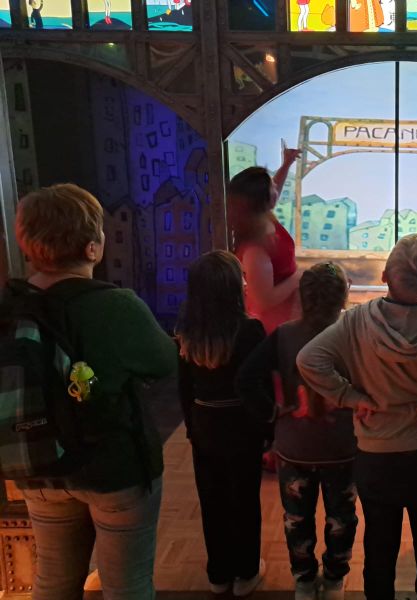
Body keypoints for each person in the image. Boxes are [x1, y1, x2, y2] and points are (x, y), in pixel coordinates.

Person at [9, 184, 176, 600]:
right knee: (127, 587)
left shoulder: (11, 307)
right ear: (93, 248)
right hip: (115, 468)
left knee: (53, 581)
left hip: (40, 464)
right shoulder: (117, 306)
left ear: (26, 245)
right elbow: (163, 363)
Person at [297, 234, 417, 600]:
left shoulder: (356, 321)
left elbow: (308, 360)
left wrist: (350, 397)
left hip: (376, 456)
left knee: (379, 546)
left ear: (384, 274)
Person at [237, 262, 357, 600]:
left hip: (294, 446)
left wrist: (272, 413)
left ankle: (304, 581)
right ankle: (334, 580)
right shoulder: (353, 335)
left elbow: (246, 379)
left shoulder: (284, 335)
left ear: (302, 297)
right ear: (343, 298)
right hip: (343, 446)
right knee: (342, 517)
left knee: (296, 519)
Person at [175, 251, 267, 597]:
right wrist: (268, 429)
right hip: (242, 427)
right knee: (245, 500)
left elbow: (184, 388)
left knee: (211, 501)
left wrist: (190, 426)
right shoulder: (250, 330)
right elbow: (258, 387)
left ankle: (218, 573)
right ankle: (246, 572)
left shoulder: (187, 332)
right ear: (233, 288)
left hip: (204, 424)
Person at [228, 146, 301, 335]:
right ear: (263, 200)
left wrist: (286, 164)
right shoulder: (254, 249)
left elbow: (275, 188)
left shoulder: (262, 217)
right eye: (271, 187)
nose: (276, 187)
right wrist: (299, 277)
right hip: (273, 328)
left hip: (286, 318)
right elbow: (263, 301)